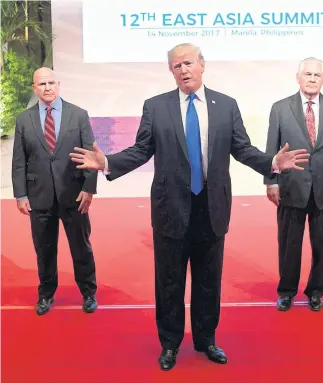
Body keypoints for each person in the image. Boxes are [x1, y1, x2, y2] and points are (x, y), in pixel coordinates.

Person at [70, 43, 309, 370]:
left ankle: (206, 339)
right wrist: (107, 162)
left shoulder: (226, 105)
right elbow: (142, 150)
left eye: (187, 63)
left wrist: (273, 163)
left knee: (209, 279)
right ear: (171, 72)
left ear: (202, 65)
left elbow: (242, 149)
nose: (182, 70)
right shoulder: (156, 107)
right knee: (168, 281)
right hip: (171, 208)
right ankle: (169, 344)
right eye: (175, 66)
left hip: (212, 208)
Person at [264, 57, 323, 312]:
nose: (312, 79)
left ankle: (316, 291)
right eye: (308, 74)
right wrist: (271, 182)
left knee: (322, 245)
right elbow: (272, 148)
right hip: (291, 187)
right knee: (289, 244)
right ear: (298, 77)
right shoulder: (280, 108)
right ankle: (286, 291)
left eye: (317, 75)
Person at [12, 67, 98, 315]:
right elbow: (19, 161)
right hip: (39, 197)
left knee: (81, 247)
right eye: (42, 84)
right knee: (44, 249)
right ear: (34, 88)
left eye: (51, 82)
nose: (47, 87)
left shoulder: (79, 115)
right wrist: (20, 194)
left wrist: (88, 189)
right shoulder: (24, 119)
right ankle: (46, 294)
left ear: (58, 84)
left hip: (74, 194)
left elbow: (90, 155)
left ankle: (89, 292)